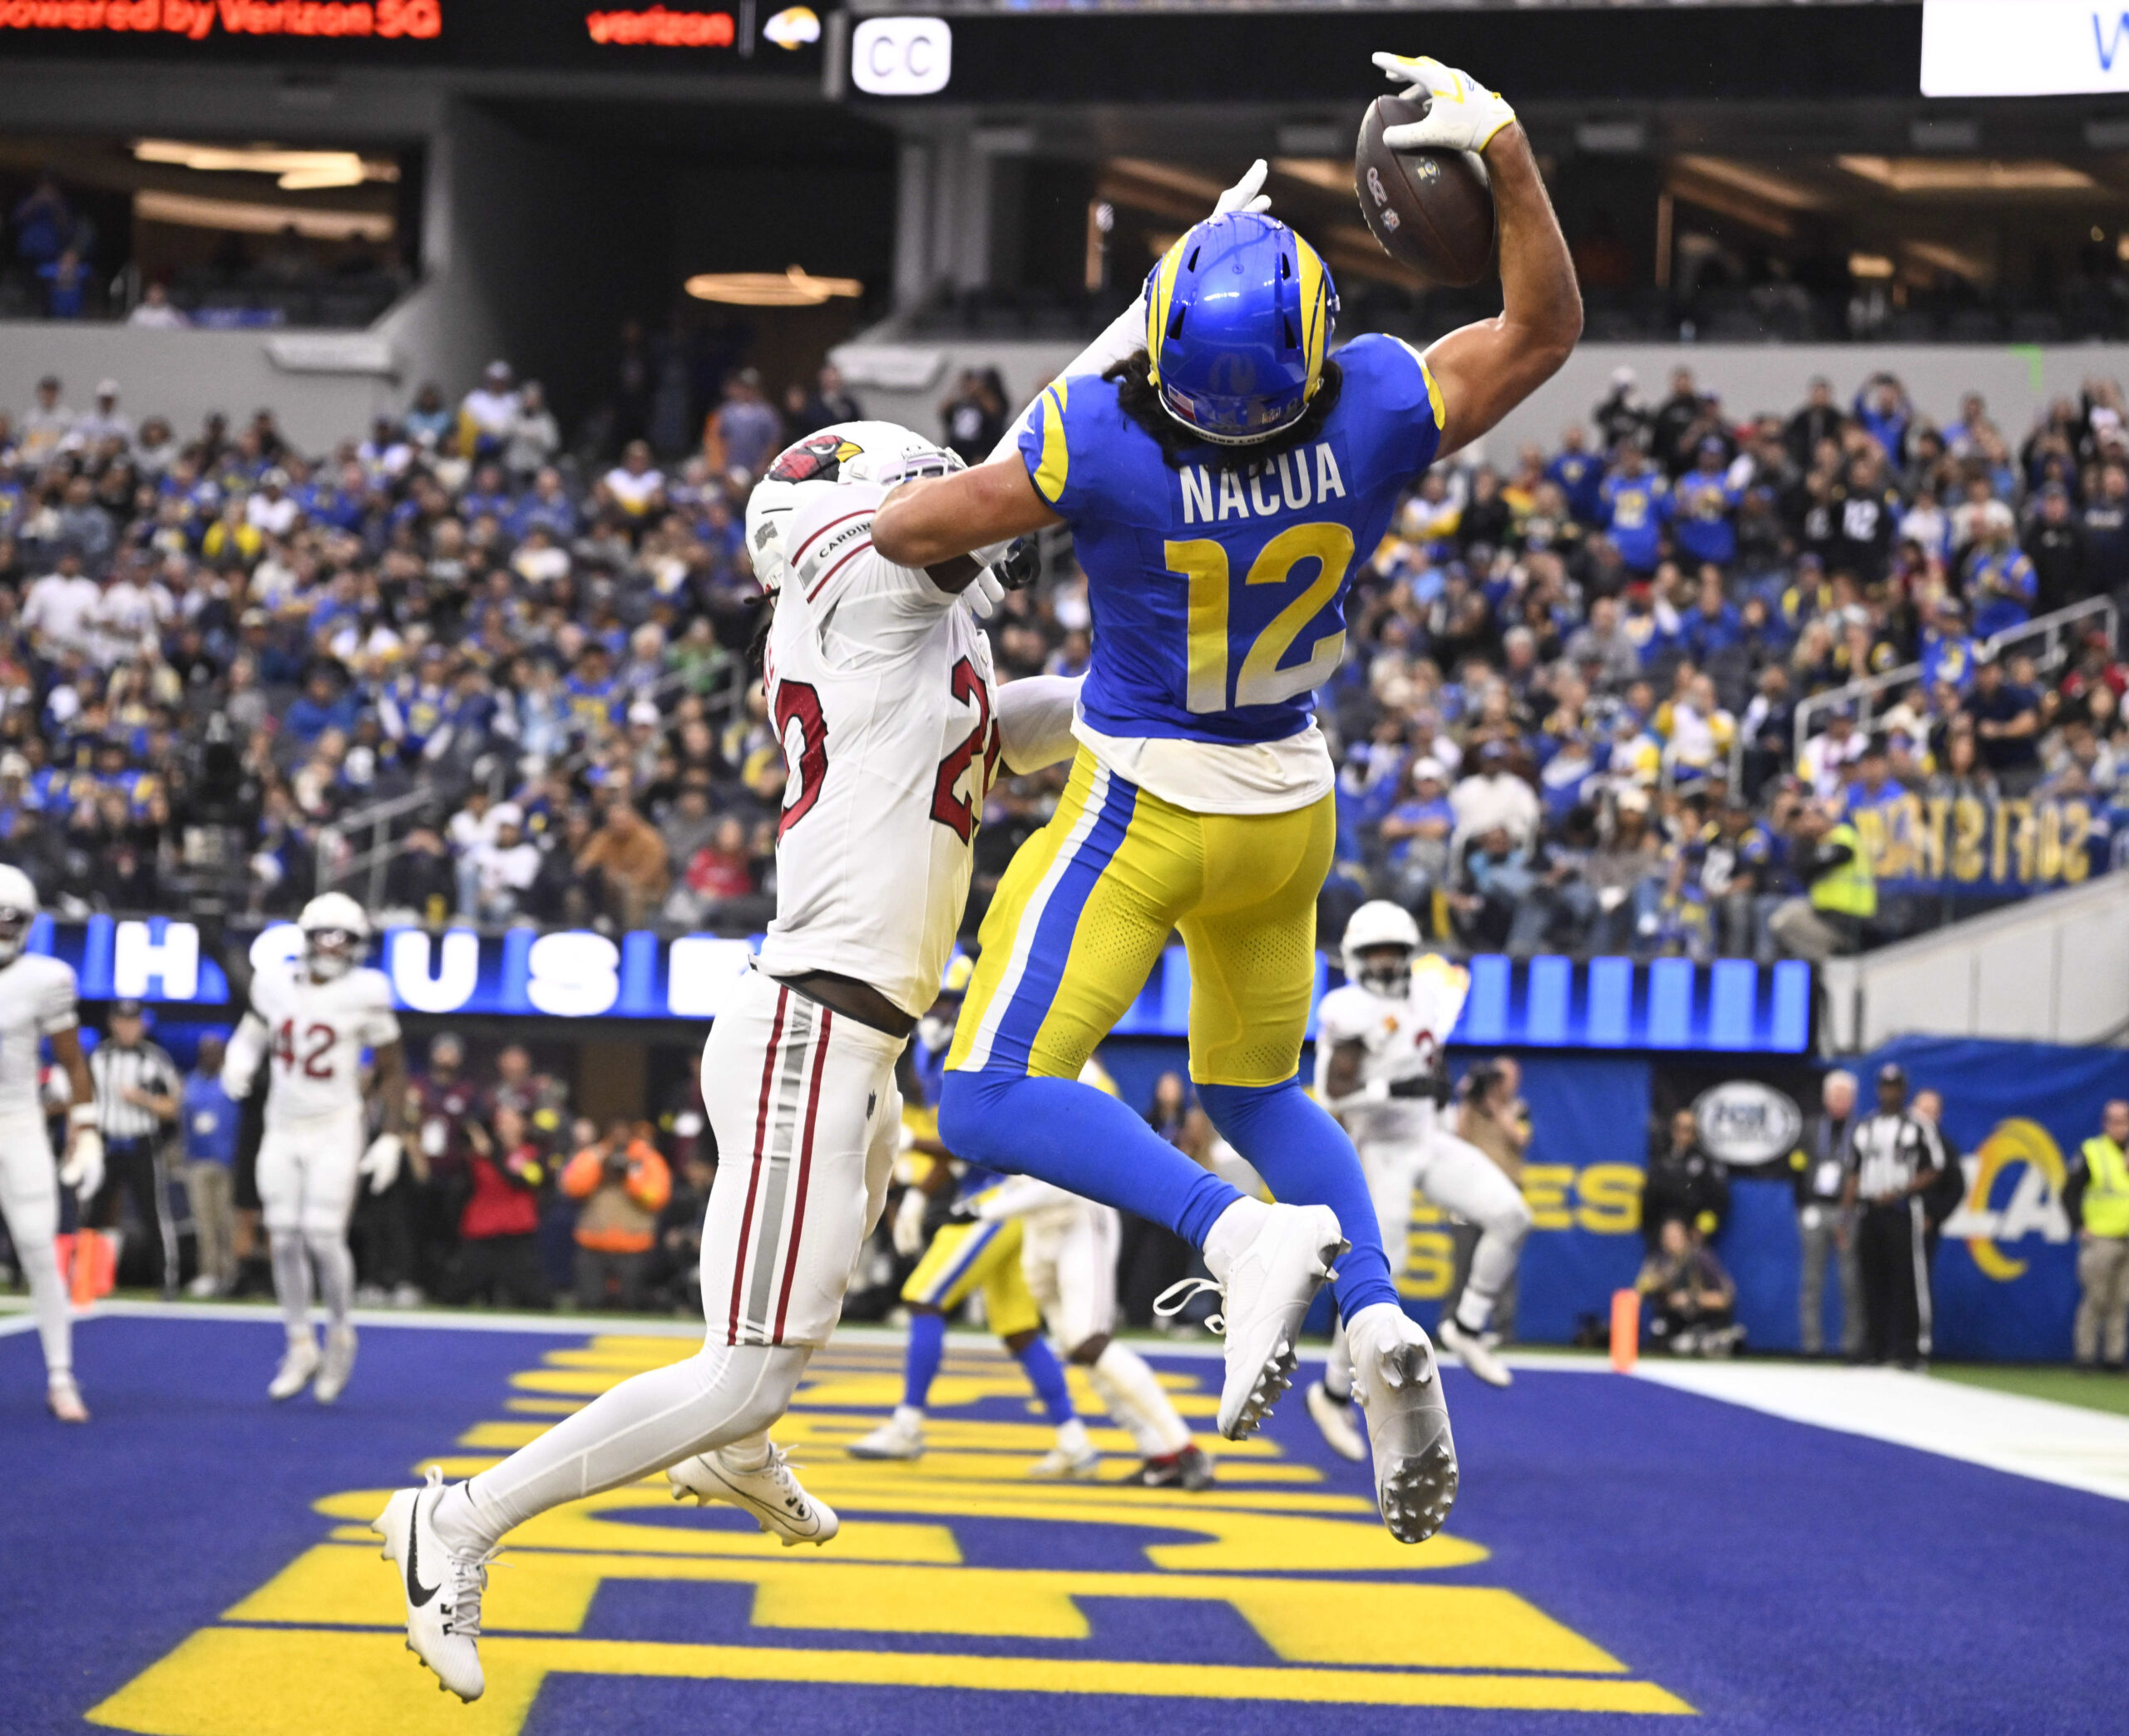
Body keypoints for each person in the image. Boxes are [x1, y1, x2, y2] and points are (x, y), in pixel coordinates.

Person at [872, 53, 1580, 1547]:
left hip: (1143, 803)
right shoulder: (1377, 403)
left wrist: (1113, 336)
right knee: (1260, 1090)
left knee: (987, 1092)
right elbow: (1542, 328)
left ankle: (1233, 1230)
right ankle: (1380, 1308)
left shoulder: (1105, 436)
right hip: (1292, 800)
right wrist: (1505, 151)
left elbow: (913, 521)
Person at [372, 418, 1086, 1703]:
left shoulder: (906, 634)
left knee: (766, 1352)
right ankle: (460, 1517)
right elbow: (1001, 488)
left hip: (848, 1035)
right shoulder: (863, 577)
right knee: (746, 1359)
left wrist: (1137, 708)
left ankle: (736, 1448)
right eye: (918, 484)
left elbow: (1007, 734)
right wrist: (1140, 340)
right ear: (867, 497)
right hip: (812, 1026)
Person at [850, 957, 1098, 1477]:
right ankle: (1074, 1441)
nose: (941, 1013)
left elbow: (971, 1140)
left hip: (1007, 1196)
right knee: (1018, 1332)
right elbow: (956, 1141)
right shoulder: (927, 1053)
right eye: (936, 1002)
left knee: (923, 1296)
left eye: (951, 1003)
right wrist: (921, 1189)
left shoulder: (981, 1051)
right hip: (988, 1194)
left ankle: (908, 1426)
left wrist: (904, 1145)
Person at [1307, 902, 1529, 1469]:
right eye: (1375, 953)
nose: (1386, 963)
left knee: (1511, 1216)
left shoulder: (1428, 991)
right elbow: (1332, 1094)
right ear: (1356, 959)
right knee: (1382, 1272)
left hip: (1428, 1139)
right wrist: (1392, 1088)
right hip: (1381, 1149)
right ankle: (1332, 1392)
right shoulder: (1347, 1009)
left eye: (1394, 952)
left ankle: (1468, 1322)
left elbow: (1451, 983)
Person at [220, 893, 408, 1405]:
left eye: (343, 937)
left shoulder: (367, 991)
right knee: (281, 1235)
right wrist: (239, 1057)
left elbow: (392, 1067)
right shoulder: (274, 982)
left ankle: (342, 1333)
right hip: (282, 1123)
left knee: (323, 1235)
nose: (333, 946)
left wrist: (392, 1133)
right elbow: (255, 1030)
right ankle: (300, 1341)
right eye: (326, 934)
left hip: (335, 1124)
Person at [0, 866, 99, 1421]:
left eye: (10, 919)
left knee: (39, 1246)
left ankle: (60, 1375)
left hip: (16, 1119)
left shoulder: (44, 978)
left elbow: (71, 1059)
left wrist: (85, 1131)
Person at [1840, 1062, 1946, 1369]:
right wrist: (1845, 1216)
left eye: (1895, 1087)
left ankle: (1911, 1349)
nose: (1889, 1093)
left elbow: (1934, 1168)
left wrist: (1900, 1190)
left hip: (1901, 1210)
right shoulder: (1866, 1126)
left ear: (1903, 1090)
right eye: (1885, 1087)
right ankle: (1875, 1347)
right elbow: (1854, 1173)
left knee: (1907, 1280)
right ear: (1878, 1090)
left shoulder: (1918, 1125)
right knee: (1872, 1282)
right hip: (1869, 1209)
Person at [86, 999, 181, 1299]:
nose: (127, 1027)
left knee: (153, 1214)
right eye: (122, 1021)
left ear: (142, 1024)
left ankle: (166, 1281)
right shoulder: (98, 1057)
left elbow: (173, 1107)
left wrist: (144, 1100)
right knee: (92, 1215)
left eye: (133, 1021)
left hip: (141, 1143)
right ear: (112, 1023)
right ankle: (86, 1279)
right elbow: (82, 1100)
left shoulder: (155, 1059)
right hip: (106, 1143)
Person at [560, 1120, 669, 1309]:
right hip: (593, 1241)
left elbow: (657, 1198)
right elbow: (572, 1187)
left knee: (632, 1304)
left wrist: (631, 1177)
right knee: (590, 1303)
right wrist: (598, 1168)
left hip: (634, 1243)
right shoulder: (593, 1155)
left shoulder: (647, 1159)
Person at [1791, 1068, 1862, 1359]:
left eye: (1845, 1096)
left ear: (1854, 1099)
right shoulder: (1810, 1129)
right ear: (1825, 1098)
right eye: (1835, 1095)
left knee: (1851, 1281)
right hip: (1816, 1208)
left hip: (1848, 1210)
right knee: (1812, 1280)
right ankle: (1812, 1346)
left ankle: (1852, 1345)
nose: (1840, 1101)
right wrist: (1803, 1204)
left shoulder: (1860, 1131)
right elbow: (1795, 1167)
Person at [2065, 1098, 2129, 1370]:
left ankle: (2114, 1358)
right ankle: (2085, 1356)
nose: (2120, 1127)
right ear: (2105, 1123)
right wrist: (2080, 1224)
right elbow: (2069, 1191)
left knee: (2122, 1300)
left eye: (2125, 1121)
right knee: (2095, 1298)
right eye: (2115, 1121)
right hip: (2101, 1237)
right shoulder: (2093, 1151)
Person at [1767, 801, 1875, 961]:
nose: (1807, 825)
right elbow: (1802, 870)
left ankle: (1820, 966)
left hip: (1851, 919)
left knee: (1786, 920)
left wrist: (1811, 846)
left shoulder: (1843, 834)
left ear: (1824, 818)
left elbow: (1840, 854)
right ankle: (1813, 966)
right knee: (1781, 917)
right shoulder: (1814, 844)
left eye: (1811, 819)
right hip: (1827, 916)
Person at [181, 1033, 240, 1299]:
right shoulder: (190, 1083)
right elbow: (183, 1121)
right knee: (204, 1223)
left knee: (227, 1222)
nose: (211, 1056)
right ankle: (209, 1273)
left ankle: (230, 1274)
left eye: (216, 1051)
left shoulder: (233, 1083)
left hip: (228, 1161)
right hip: (198, 1161)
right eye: (206, 1051)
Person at [1635, 1217, 1741, 1357]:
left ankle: (1716, 1339)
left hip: (1704, 1318)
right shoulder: (1658, 1261)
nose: (1671, 1241)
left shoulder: (1701, 1259)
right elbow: (1637, 1294)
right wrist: (1649, 1286)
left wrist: (1691, 1298)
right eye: (1667, 1237)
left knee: (1694, 1343)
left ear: (1685, 1237)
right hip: (1675, 1324)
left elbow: (1725, 1299)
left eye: (1675, 1237)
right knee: (1665, 1339)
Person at [1642, 1107, 1730, 1250]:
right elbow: (1649, 1199)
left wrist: (1701, 1229)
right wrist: (1654, 1232)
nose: (1681, 1133)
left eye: (1687, 1129)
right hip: (1660, 1239)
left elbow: (1718, 1202)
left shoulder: (1706, 1163)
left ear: (1695, 1134)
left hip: (1692, 1240)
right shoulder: (1660, 1160)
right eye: (1677, 1127)